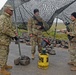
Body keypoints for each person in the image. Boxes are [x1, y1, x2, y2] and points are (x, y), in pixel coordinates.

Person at [0, 5, 17, 75]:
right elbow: (4, 29)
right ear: (6, 10)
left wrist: (14, 31)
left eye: (12, 10)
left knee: (6, 53)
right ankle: (2, 69)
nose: (12, 11)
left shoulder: (8, 18)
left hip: (6, 40)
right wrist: (13, 35)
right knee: (2, 55)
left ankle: (5, 65)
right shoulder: (2, 18)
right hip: (2, 40)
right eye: (11, 10)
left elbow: (10, 27)